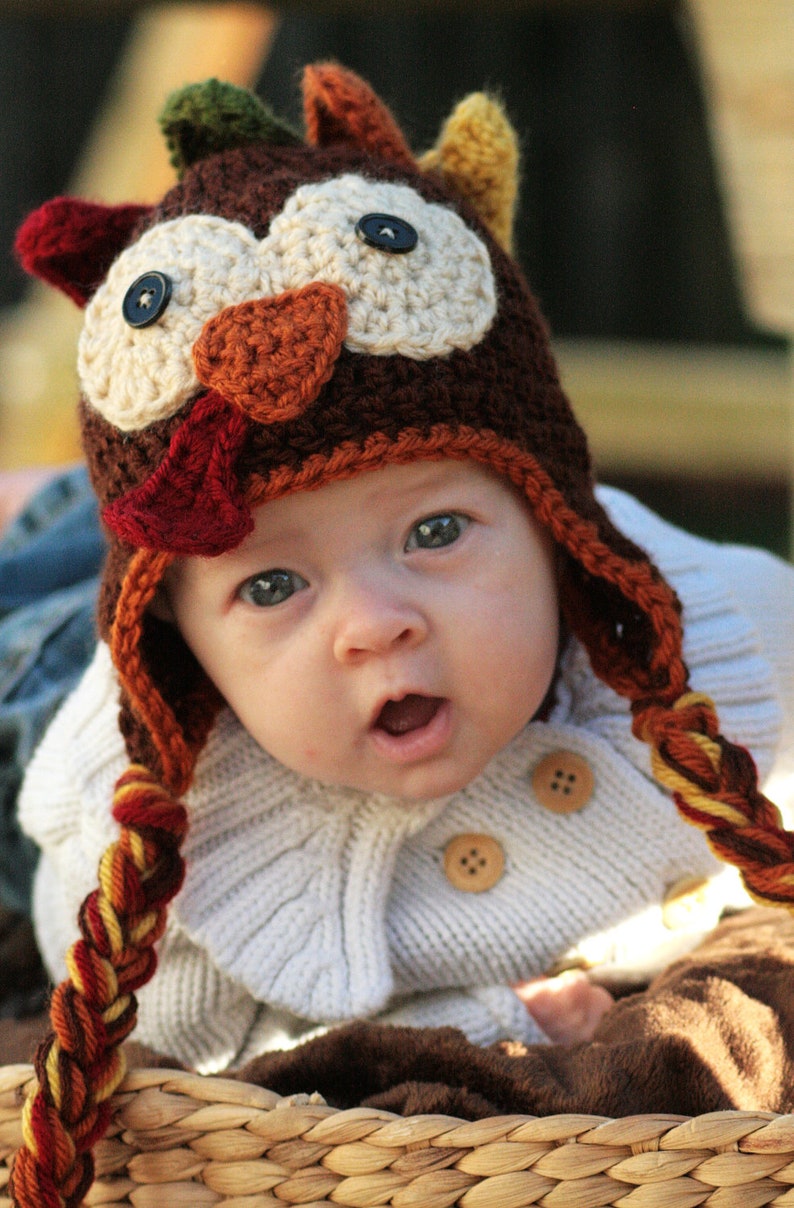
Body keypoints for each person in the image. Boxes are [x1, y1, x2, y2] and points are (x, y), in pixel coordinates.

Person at [7, 65, 794, 1206]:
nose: (375, 621)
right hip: (37, 677)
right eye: (276, 585)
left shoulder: (730, 641)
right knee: (41, 588)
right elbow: (179, 1056)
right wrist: (481, 1019)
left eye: (435, 528)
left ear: (552, 518)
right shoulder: (158, 823)